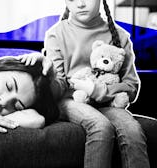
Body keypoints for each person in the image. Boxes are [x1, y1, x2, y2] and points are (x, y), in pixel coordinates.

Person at [18, 0, 150, 168]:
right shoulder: (56, 34)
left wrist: (97, 90)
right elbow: (59, 85)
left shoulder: (120, 36)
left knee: (133, 130)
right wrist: (47, 71)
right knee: (101, 126)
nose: (80, 4)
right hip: (71, 100)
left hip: (107, 103)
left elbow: (131, 86)